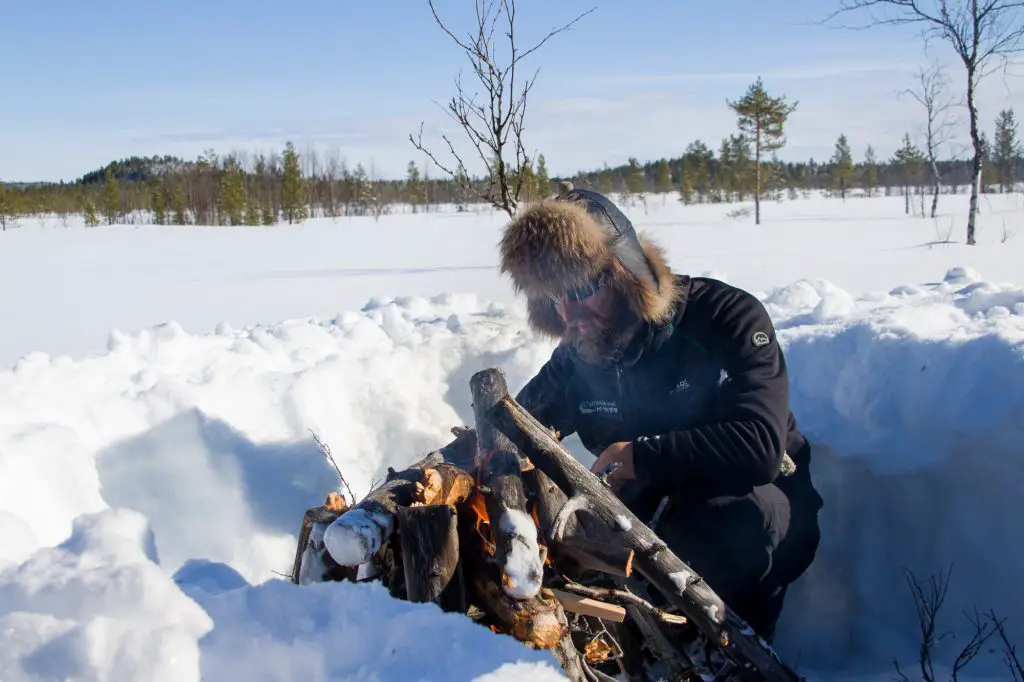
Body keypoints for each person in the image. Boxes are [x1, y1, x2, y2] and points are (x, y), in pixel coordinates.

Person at [498, 183, 824, 652]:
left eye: (583, 289)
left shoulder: (723, 317)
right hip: (648, 522)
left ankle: (736, 649)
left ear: (626, 272)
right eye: (555, 298)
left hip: (762, 511)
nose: (570, 313)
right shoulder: (579, 355)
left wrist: (640, 456)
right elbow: (516, 427)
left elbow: (761, 446)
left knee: (729, 523)